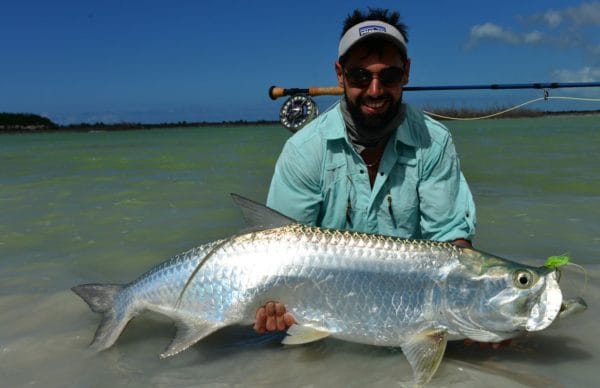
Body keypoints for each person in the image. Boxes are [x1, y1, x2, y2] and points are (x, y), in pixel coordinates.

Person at [256, 8, 507, 348]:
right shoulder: (304, 150)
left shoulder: (434, 142)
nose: (375, 90)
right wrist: (270, 302)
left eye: (388, 76)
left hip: (410, 320)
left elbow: (452, 245)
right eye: (360, 76)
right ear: (339, 74)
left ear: (406, 74)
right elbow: (277, 246)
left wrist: (482, 309)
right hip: (320, 323)